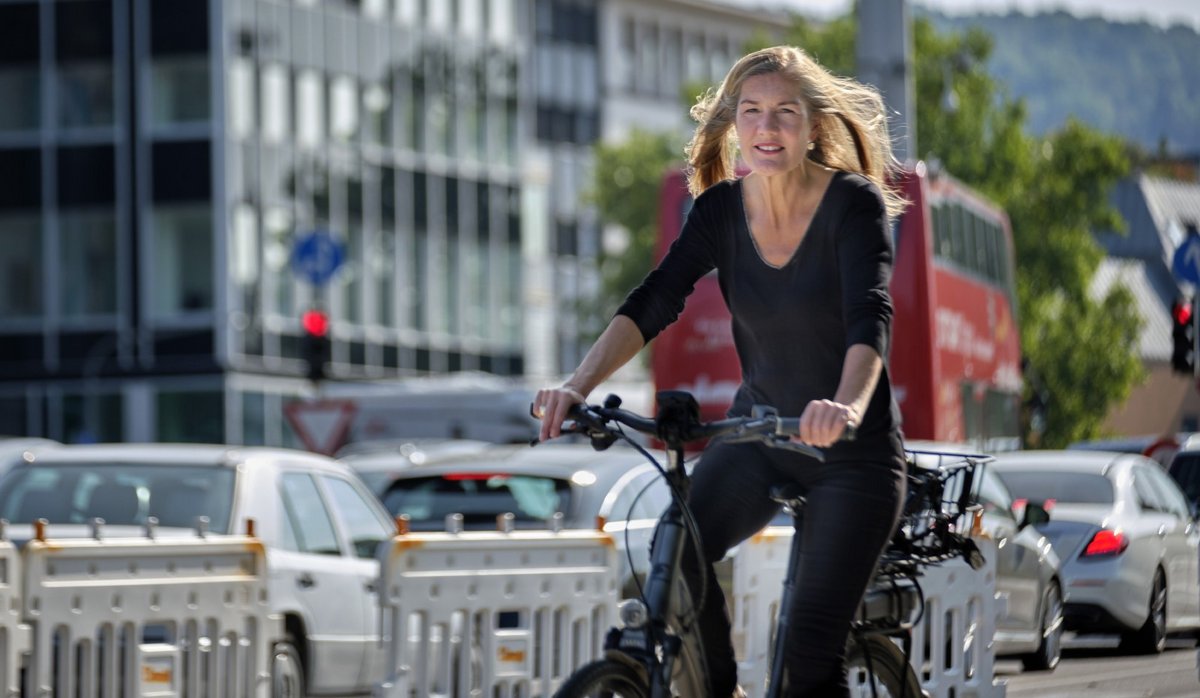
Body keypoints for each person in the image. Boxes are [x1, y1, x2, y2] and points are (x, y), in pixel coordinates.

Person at [533, 45, 908, 697]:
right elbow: (656, 299)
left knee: (807, 664)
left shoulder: (853, 204)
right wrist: (576, 385)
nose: (767, 128)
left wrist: (845, 407)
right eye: (752, 111)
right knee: (675, 553)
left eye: (785, 112)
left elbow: (868, 315)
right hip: (758, 436)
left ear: (814, 125)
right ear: (734, 124)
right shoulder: (719, 212)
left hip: (852, 457)